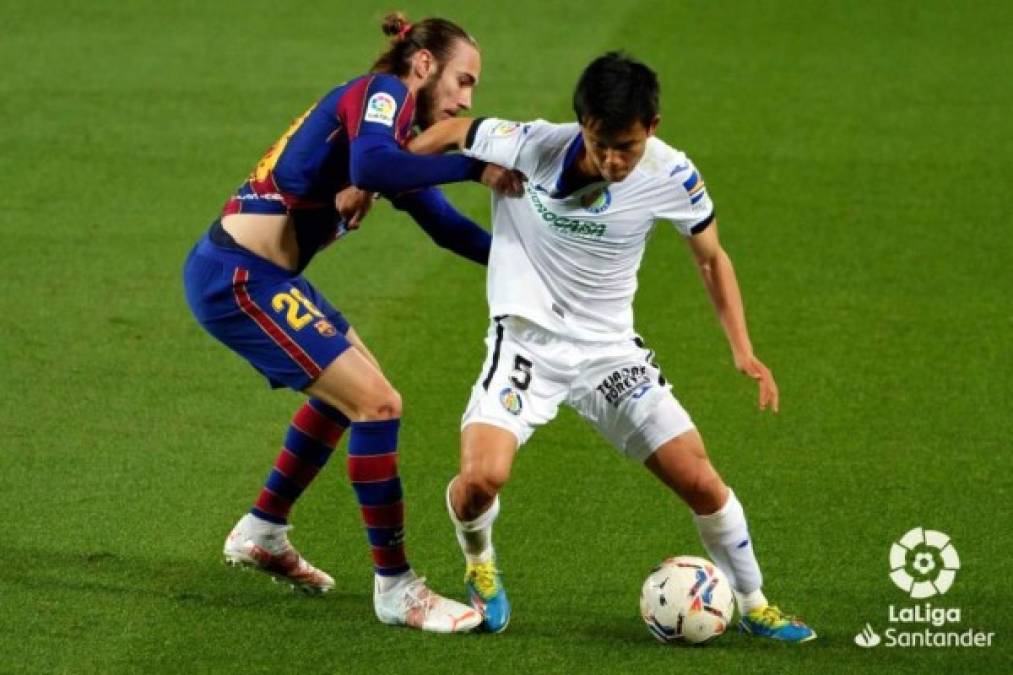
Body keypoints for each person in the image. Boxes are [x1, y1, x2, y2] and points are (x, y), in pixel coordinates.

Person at [408, 52, 816, 641]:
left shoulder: (673, 175)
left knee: (701, 482)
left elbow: (711, 258)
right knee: (480, 481)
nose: (611, 159)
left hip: (611, 354)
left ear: (652, 126)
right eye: (600, 143)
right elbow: (448, 132)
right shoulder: (530, 144)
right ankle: (480, 564)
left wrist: (742, 349)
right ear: (582, 124)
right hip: (527, 344)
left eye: (625, 145)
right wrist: (372, 180)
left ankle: (753, 603)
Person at [182, 13, 522, 633]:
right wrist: (473, 164)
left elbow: (446, 227)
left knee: (351, 396)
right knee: (378, 404)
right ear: (422, 65)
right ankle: (396, 587)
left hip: (262, 277)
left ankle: (262, 529)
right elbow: (374, 171)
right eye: (462, 81)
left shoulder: (388, 134)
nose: (467, 100)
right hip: (237, 279)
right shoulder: (381, 94)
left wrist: (536, 265)